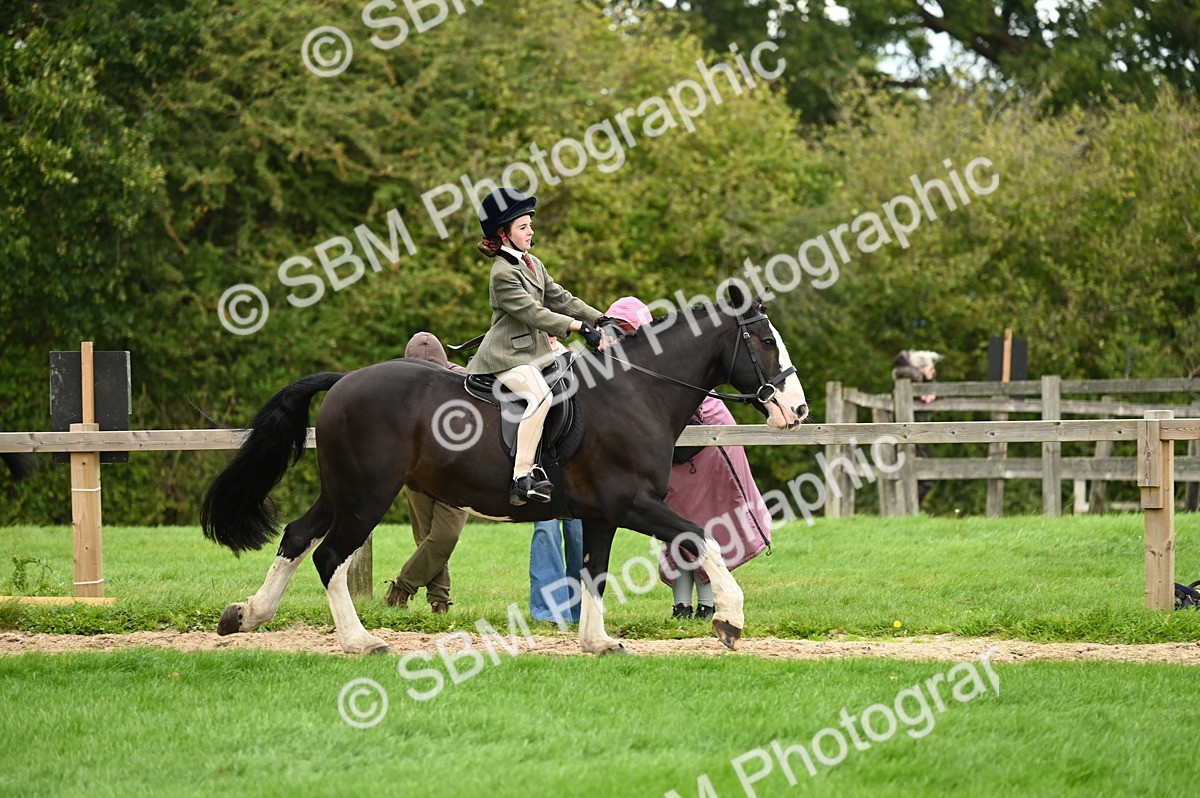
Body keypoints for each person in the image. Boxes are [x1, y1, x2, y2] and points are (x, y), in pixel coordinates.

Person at [603, 297, 772, 620]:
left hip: (709, 450)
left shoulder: (667, 359)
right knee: (676, 529)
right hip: (672, 455)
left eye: (628, 329)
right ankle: (681, 604)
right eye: (619, 329)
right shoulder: (626, 362)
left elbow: (687, 405)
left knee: (709, 525)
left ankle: (708, 601)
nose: (623, 336)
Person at [468, 187, 614, 506]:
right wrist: (577, 327)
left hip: (534, 354)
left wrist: (601, 318)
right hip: (506, 357)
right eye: (523, 227)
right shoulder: (502, 274)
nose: (531, 231)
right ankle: (522, 477)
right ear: (503, 235)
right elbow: (535, 313)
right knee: (539, 395)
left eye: (529, 225)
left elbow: (561, 298)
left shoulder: (533, 263)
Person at [385, 332, 471, 614]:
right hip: (418, 475)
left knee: (445, 536)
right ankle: (440, 602)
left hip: (457, 475)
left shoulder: (465, 383)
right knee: (426, 540)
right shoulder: (398, 387)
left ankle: (402, 587)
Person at [892, 349, 943, 501]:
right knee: (922, 478)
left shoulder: (923, 382)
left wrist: (932, 393)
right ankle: (907, 508)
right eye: (930, 368)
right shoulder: (909, 380)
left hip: (920, 433)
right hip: (912, 433)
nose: (933, 372)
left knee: (924, 477)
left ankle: (908, 508)